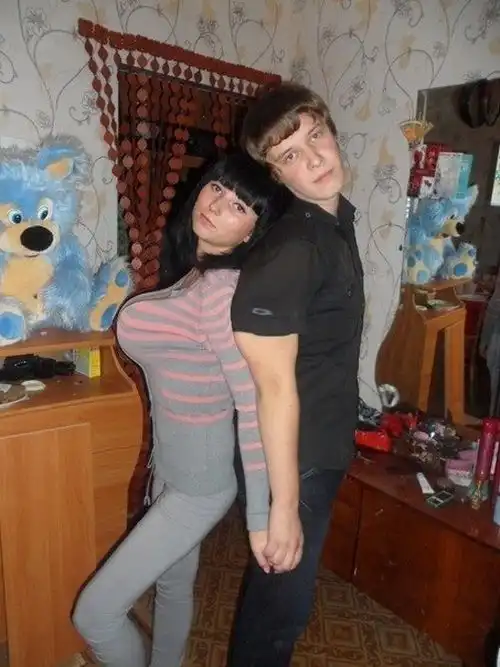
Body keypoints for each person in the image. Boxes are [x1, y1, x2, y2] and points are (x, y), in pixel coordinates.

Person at [71, 153, 300, 667]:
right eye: (218, 187)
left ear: (251, 232)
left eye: (239, 206)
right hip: (172, 470)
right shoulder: (194, 277)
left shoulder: (219, 293)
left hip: (200, 487)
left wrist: (261, 519)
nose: (218, 204)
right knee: (173, 589)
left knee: (95, 615)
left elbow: (254, 407)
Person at [226, 82, 365, 666]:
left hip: (319, 445)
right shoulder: (293, 249)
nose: (313, 158)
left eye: (316, 136)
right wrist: (282, 506)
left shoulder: (335, 224)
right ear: (277, 174)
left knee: (281, 609)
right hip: (292, 461)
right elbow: (272, 385)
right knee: (277, 616)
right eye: (290, 154)